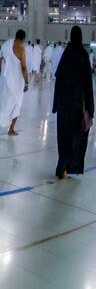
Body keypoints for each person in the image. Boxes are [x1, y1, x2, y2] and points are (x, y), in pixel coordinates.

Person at [52, 26, 92, 179]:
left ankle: (64, 168)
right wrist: (90, 108)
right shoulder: (82, 55)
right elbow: (88, 84)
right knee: (76, 138)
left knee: (63, 136)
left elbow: (58, 79)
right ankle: (63, 168)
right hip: (76, 105)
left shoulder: (66, 53)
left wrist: (56, 104)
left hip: (63, 104)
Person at [0, 29, 29, 136]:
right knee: (16, 104)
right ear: (23, 39)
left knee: (3, 102)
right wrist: (27, 82)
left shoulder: (7, 44)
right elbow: (23, 67)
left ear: (16, 36)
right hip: (17, 83)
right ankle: (11, 129)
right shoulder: (22, 49)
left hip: (5, 79)